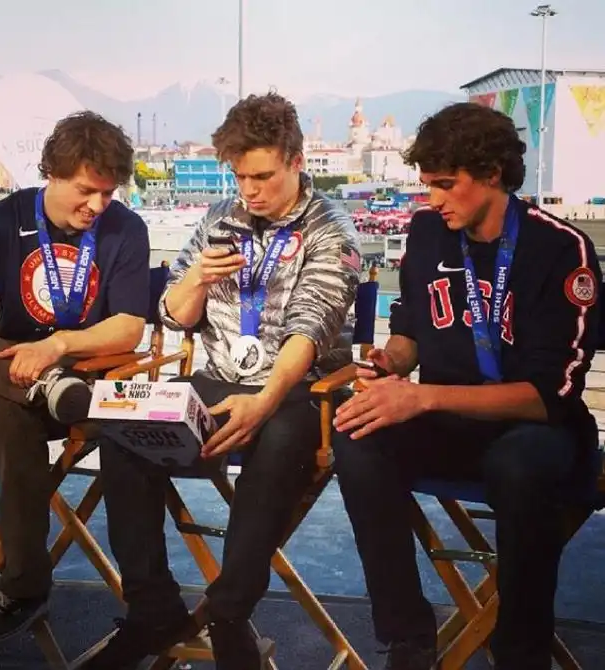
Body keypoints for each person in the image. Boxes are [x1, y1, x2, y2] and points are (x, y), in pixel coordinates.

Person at [83, 92, 361, 669]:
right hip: (216, 376)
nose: (249, 191)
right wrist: (197, 280)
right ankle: (152, 610)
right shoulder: (220, 218)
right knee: (121, 430)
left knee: (279, 435)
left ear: (296, 162)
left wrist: (263, 401)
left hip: (299, 387)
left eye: (262, 176)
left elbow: (309, 331)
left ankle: (229, 613)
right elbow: (174, 317)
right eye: (239, 177)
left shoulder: (330, 229)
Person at [331, 102, 601, 670]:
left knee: (520, 466)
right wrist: (390, 362)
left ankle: (520, 652)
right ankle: (407, 635)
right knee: (357, 437)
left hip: (534, 430)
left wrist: (422, 397)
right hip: (451, 422)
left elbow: (548, 397)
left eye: (446, 184)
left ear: (493, 174)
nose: (433, 199)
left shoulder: (561, 248)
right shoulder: (428, 232)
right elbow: (412, 330)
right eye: (428, 184)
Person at [0, 111, 150, 647]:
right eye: (86, 190)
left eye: (107, 193)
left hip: (85, 385)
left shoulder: (126, 229)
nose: (97, 205)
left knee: (6, 410)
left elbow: (129, 327)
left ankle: (24, 589)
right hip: (13, 372)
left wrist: (58, 347)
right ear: (51, 173)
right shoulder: (0, 219)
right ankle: (37, 387)